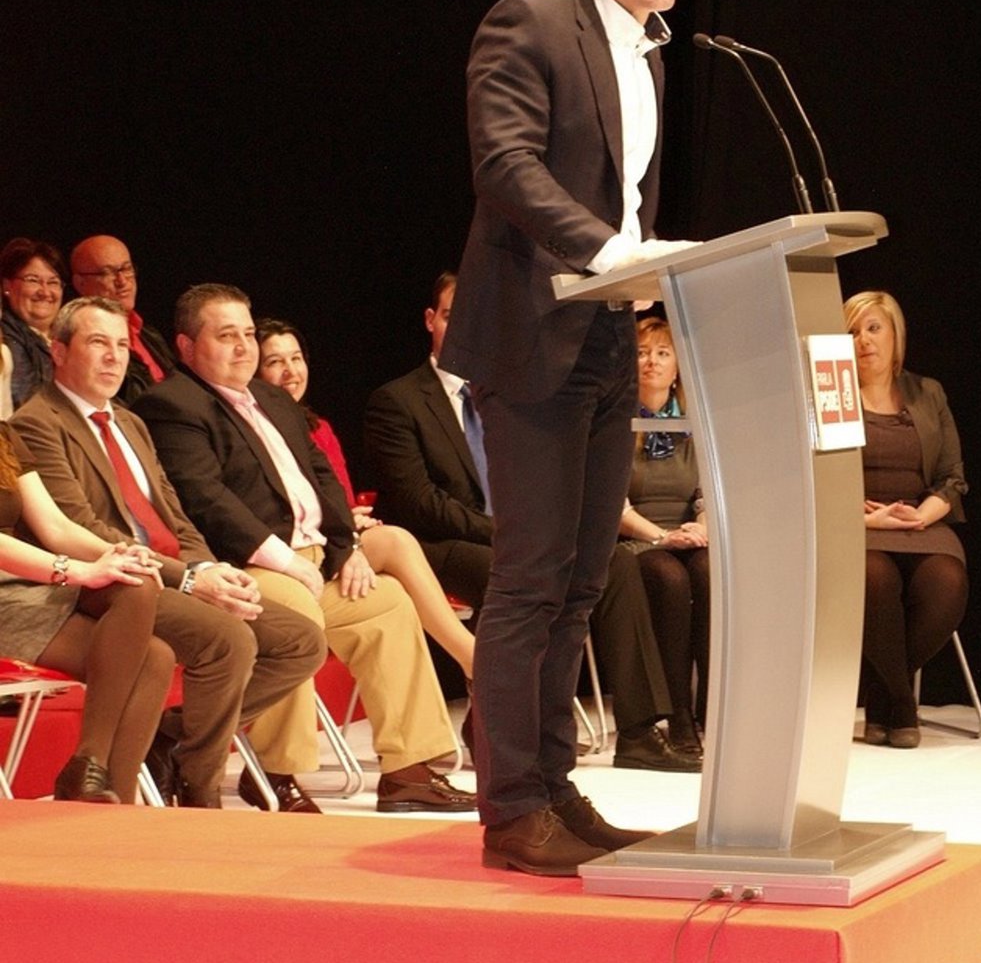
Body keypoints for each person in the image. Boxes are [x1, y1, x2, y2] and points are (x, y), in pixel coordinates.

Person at [440, 0, 694, 875]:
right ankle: (510, 809)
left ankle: (553, 787)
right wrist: (609, 250)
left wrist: (636, 268)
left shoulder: (651, 54)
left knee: (585, 581)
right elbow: (505, 165)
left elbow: (626, 197)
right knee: (530, 580)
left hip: (606, 334)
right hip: (532, 334)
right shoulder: (532, 23)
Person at [135, 284, 476, 815]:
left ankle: (408, 772)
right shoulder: (172, 404)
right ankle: (276, 772)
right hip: (245, 567)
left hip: (316, 559)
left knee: (387, 604)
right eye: (226, 336)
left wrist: (346, 547)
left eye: (248, 333)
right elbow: (205, 499)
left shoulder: (272, 399)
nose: (243, 347)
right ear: (186, 345)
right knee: (294, 615)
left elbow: (324, 479)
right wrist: (286, 561)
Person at [363, 271, 691, 770]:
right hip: (441, 546)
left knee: (615, 563)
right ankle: (508, 728)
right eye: (452, 315)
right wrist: (510, 533)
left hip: (518, 536)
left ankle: (639, 733)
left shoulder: (514, 394)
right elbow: (419, 502)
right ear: (431, 320)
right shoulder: (398, 401)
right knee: (519, 576)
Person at [12, 297, 328, 808]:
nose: (114, 357)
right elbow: (78, 525)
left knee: (300, 640)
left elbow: (174, 515)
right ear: (60, 351)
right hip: (105, 583)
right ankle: (201, 788)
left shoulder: (130, 422)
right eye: (98, 343)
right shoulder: (36, 423)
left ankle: (172, 739)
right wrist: (188, 579)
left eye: (121, 345)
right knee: (228, 641)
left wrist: (209, 568)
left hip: (166, 571)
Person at [255, 315, 475, 678]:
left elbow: (339, 497)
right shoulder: (254, 433)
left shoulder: (318, 428)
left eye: (296, 358)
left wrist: (350, 520)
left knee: (394, 565)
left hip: (338, 538)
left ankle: (472, 661)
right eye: (275, 361)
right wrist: (343, 525)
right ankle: (472, 658)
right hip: (295, 552)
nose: (290, 371)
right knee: (396, 543)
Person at [0, 418, 174, 803]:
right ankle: (90, 775)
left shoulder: (3, 435)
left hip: (29, 579)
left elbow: (56, 527)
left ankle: (97, 781)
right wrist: (76, 571)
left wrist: (116, 554)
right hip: (17, 588)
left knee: (137, 587)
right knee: (152, 658)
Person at [844, 290, 969, 749]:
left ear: (896, 336)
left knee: (947, 584)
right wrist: (868, 519)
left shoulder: (927, 392)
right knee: (874, 580)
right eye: (852, 332)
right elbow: (815, 477)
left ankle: (882, 693)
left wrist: (919, 515)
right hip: (858, 526)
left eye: (874, 328)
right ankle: (901, 702)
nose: (863, 340)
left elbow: (952, 478)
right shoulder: (831, 395)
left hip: (920, 522)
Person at [618, 316, 709, 761]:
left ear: (677, 367)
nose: (650, 361)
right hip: (639, 541)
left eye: (661, 352)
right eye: (641, 352)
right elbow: (614, 507)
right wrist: (662, 536)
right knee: (671, 580)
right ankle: (678, 715)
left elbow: (707, 493)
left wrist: (703, 526)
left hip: (688, 536)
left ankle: (714, 707)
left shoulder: (695, 423)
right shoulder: (617, 422)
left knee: (710, 573)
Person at [70, 234, 175, 403]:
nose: (122, 281)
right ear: (80, 283)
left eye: (126, 269)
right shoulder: (80, 341)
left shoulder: (148, 334)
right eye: (107, 273)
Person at [1, 238, 66, 409]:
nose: (45, 292)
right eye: (33, 280)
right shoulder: (7, 336)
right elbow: (26, 404)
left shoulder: (69, 334)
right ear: (7, 286)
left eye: (53, 282)